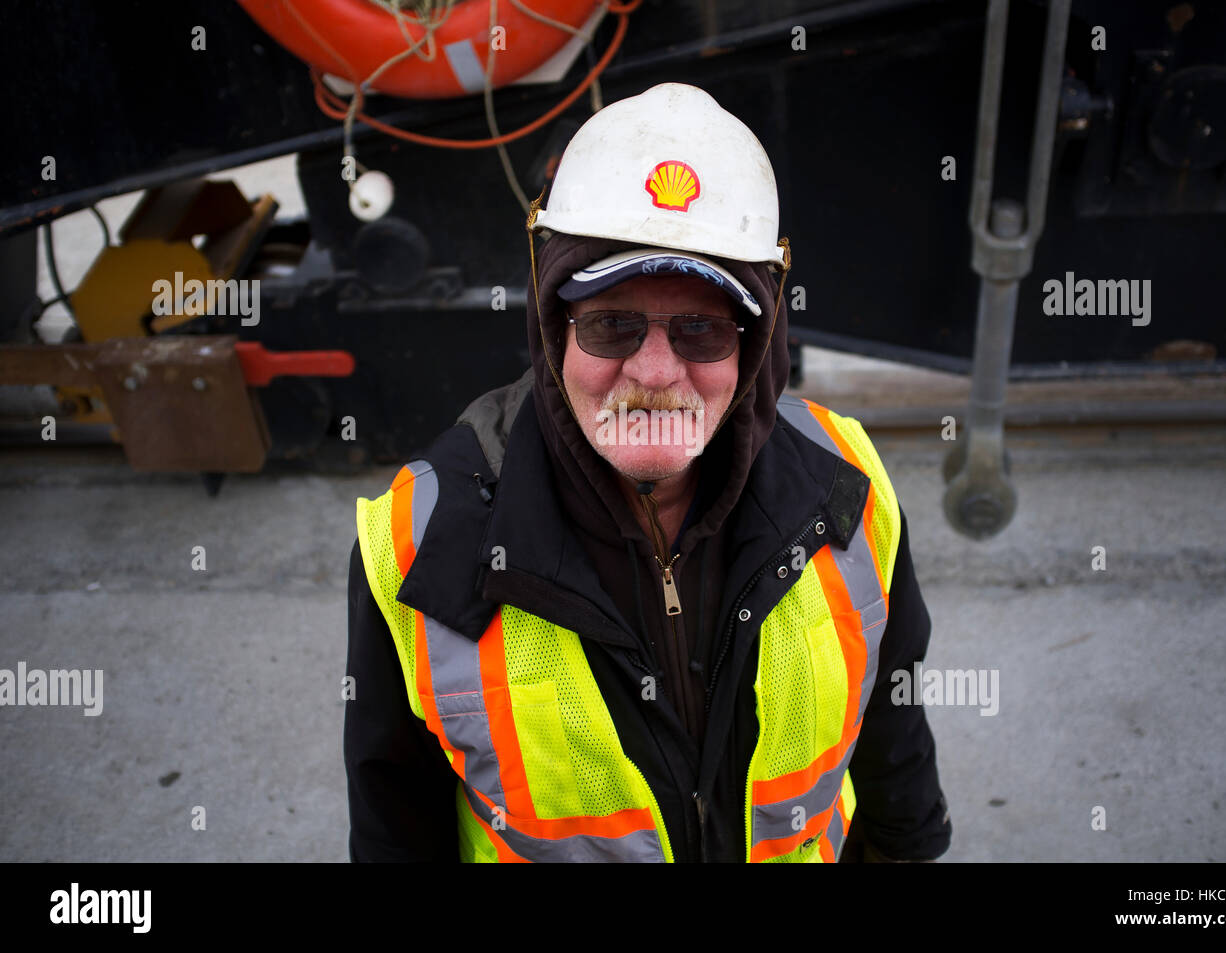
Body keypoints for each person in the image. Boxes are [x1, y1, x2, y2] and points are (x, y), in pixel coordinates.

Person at [345, 81, 951, 862]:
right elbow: (395, 836)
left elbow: (896, 769)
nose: (657, 372)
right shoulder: (415, 549)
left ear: (757, 342)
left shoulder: (846, 486)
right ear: (552, 326)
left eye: (702, 328)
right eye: (611, 323)